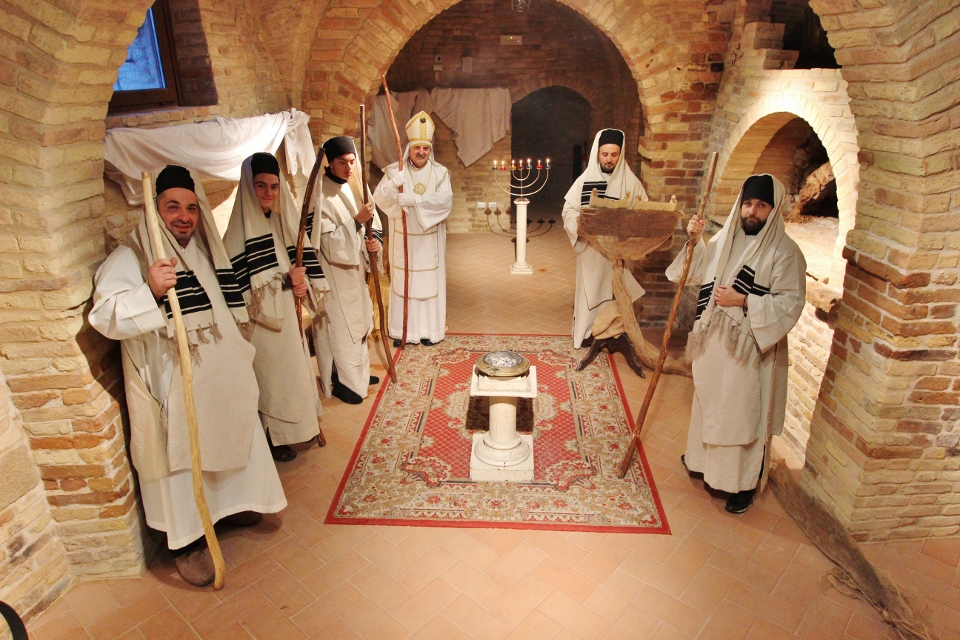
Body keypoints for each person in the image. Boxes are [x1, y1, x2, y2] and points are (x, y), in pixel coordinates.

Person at [89, 165, 286, 586]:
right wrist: (149, 291)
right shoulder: (133, 257)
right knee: (183, 457)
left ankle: (229, 508)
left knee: (230, 435)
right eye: (173, 207)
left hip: (218, 380)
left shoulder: (201, 249)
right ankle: (187, 541)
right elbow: (104, 317)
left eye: (191, 208)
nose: (184, 217)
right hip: (174, 387)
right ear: (154, 209)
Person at [668, 174, 806, 514]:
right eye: (747, 204)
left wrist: (744, 300)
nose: (752, 211)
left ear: (773, 209)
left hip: (749, 351)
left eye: (761, 205)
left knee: (741, 413)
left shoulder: (785, 252)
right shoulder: (724, 239)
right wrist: (695, 241)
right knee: (710, 403)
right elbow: (696, 272)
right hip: (713, 344)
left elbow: (791, 302)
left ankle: (741, 484)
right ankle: (702, 462)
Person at [224, 152, 328, 462]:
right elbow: (242, 289)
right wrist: (286, 280)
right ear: (248, 186)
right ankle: (273, 438)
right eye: (260, 186)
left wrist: (299, 284)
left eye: (273, 186)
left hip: (286, 317)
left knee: (293, 375)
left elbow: (294, 263)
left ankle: (297, 430)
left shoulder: (280, 221)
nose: (268, 193)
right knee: (271, 380)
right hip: (262, 325)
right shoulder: (237, 234)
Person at [311, 136, 383, 405]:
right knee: (343, 328)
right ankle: (343, 380)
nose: (349, 167)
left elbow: (374, 225)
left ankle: (358, 374)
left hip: (355, 271)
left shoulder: (356, 186)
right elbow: (329, 244)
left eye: (352, 162)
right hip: (334, 276)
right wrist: (356, 221)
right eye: (342, 162)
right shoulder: (320, 195)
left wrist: (374, 244)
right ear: (330, 163)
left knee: (360, 322)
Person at [561, 128, 648, 349]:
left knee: (615, 292)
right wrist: (580, 226)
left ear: (621, 154)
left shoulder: (631, 183)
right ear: (597, 154)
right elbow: (568, 210)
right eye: (605, 154)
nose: (609, 159)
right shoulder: (585, 181)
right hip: (592, 250)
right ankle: (587, 333)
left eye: (614, 154)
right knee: (590, 291)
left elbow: (644, 214)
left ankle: (613, 334)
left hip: (618, 253)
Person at [373, 111, 453, 347]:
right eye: (417, 147)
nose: (421, 152)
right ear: (410, 147)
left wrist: (415, 201)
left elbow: (444, 201)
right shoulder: (394, 172)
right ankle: (403, 331)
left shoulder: (440, 173)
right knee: (404, 283)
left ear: (430, 150)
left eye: (426, 148)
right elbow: (379, 199)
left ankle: (428, 331)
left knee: (427, 284)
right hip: (404, 239)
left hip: (428, 241)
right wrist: (392, 185)